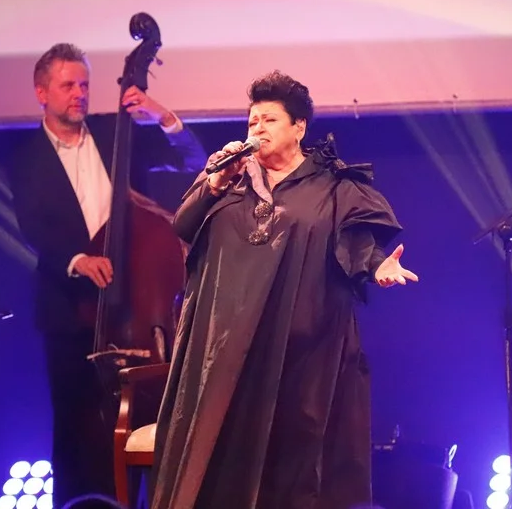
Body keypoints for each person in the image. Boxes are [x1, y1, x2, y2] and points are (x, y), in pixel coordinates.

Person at [150, 70, 419, 509]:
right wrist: (214, 182)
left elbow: (357, 245)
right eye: (252, 120)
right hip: (227, 348)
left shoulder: (332, 186)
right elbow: (183, 224)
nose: (258, 128)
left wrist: (379, 267)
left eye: (270, 120)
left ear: (299, 127)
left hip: (301, 351)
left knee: (292, 464)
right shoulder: (229, 177)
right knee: (220, 455)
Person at [8, 43, 207, 507]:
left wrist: (161, 114)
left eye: (84, 85)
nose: (79, 93)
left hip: (135, 310)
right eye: (68, 85)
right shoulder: (25, 157)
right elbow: (32, 226)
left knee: (147, 426)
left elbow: (192, 160)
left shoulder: (114, 132)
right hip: (71, 312)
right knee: (74, 431)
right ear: (42, 92)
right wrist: (77, 259)